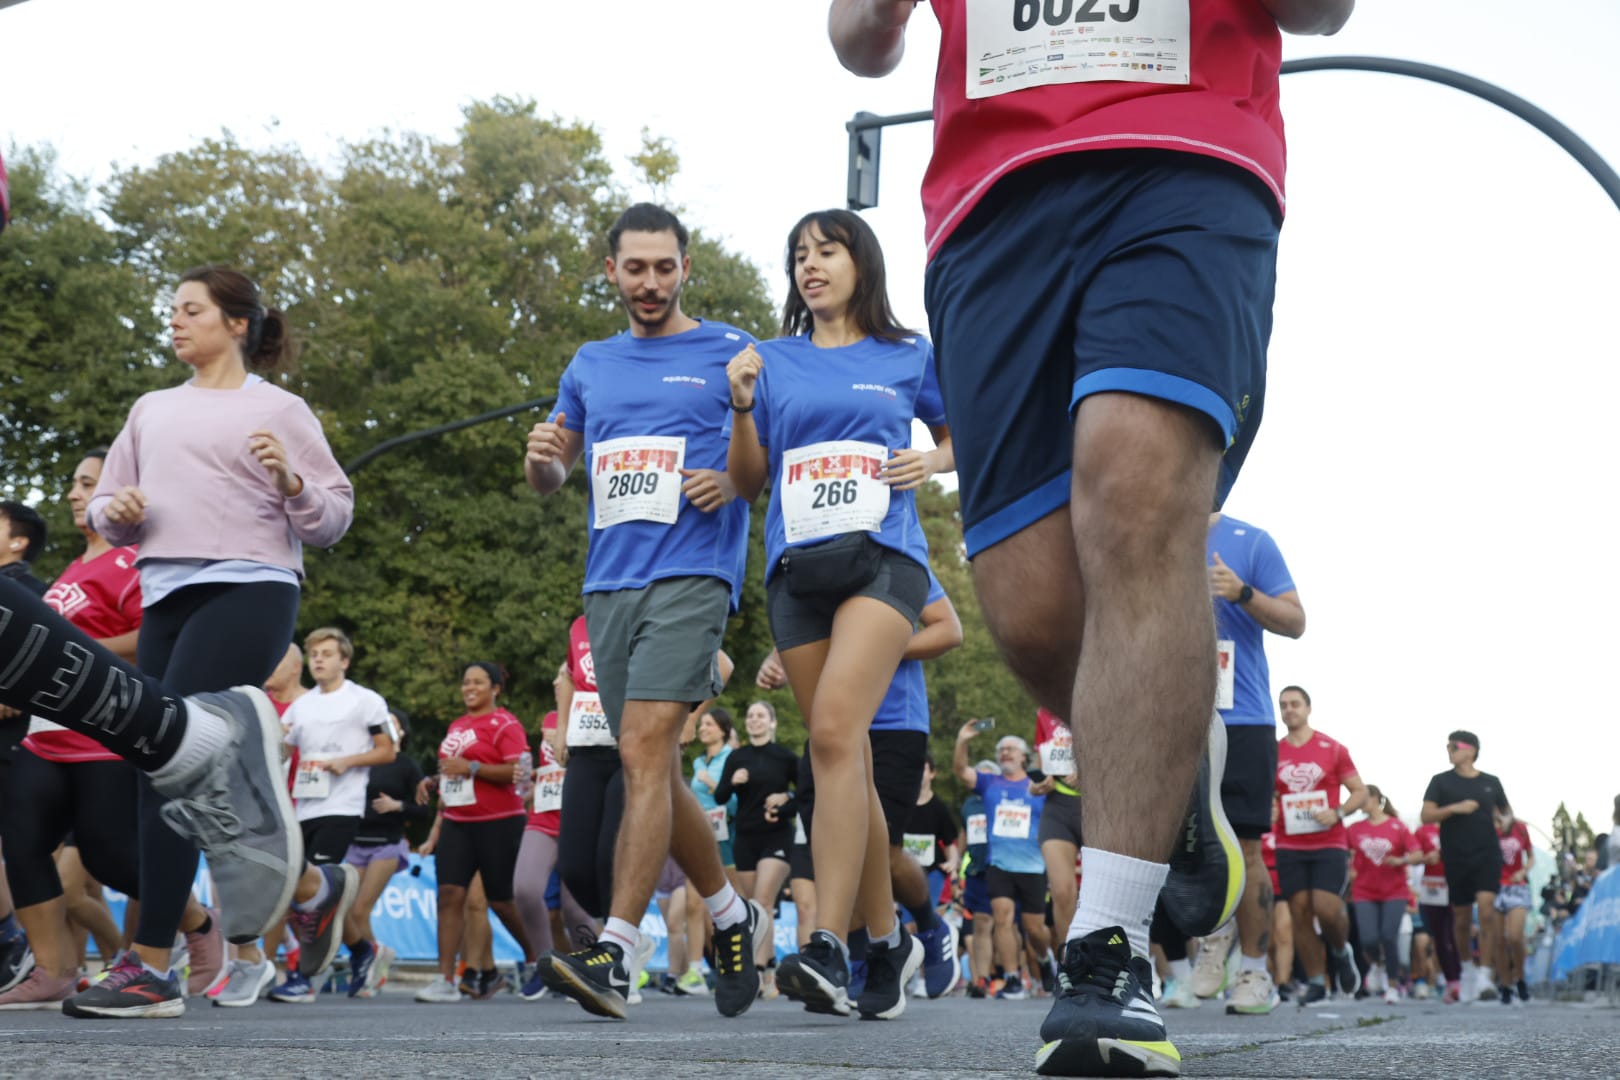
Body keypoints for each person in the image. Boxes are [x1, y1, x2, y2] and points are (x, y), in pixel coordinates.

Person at [827, 0, 1356, 1072]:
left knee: (1134, 491)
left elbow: (1323, 10)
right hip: (992, 199)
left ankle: (1109, 952)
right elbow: (859, 41)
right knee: (1028, 614)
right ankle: (1171, 778)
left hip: (1186, 150)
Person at [67, 264, 354, 1018]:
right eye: (173, 312)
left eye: (191, 310)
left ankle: (153, 965)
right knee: (162, 771)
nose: (176, 322)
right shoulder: (151, 410)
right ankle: (313, 890)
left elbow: (334, 515)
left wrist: (292, 484)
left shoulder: (281, 410)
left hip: (252, 588)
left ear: (236, 323)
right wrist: (117, 505)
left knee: (168, 751)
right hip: (164, 592)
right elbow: (108, 510)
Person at [527, 204, 766, 1021]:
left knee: (640, 746)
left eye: (665, 267)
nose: (651, 282)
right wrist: (544, 464)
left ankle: (617, 952)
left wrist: (733, 473)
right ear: (612, 272)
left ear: (685, 268)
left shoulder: (730, 349)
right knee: (653, 762)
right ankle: (733, 915)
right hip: (610, 582)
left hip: (695, 572)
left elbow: (759, 469)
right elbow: (555, 478)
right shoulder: (590, 363)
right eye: (636, 268)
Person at [727, 208, 951, 1020]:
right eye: (798, 256)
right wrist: (745, 405)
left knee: (829, 735)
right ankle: (888, 943)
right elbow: (749, 481)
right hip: (796, 568)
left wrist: (933, 457)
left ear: (862, 262)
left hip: (884, 561)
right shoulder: (769, 360)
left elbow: (962, 433)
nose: (810, 266)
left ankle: (824, 941)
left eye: (826, 251)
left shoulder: (906, 353)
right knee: (843, 754)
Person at [1192, 513, 1306, 1014]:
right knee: (1181, 848)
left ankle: (1255, 973)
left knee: (1246, 847)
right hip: (1171, 717)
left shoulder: (1250, 541)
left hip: (1242, 717)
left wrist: (1241, 593)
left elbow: (1296, 621)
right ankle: (1212, 939)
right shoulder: (1149, 527)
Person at [266, 627, 394, 1002]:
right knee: (302, 890)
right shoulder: (301, 706)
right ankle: (363, 953)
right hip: (303, 807)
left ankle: (304, 977)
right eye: (314, 654)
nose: (318, 659)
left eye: (326, 653)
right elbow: (283, 750)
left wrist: (347, 762)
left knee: (314, 890)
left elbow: (387, 751)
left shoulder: (364, 700)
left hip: (342, 807)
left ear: (344, 660)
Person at [412, 663, 535, 1003]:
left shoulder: (506, 724)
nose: (470, 687)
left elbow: (519, 773)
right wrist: (434, 782)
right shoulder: (457, 725)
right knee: (450, 895)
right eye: (466, 682)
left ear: (495, 688)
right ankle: (445, 979)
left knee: (502, 901)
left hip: (499, 820)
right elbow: (454, 770)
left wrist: (474, 767)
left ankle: (539, 959)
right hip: (457, 821)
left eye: (478, 682)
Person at [1273, 686, 1366, 1006]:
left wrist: (1338, 812)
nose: (1289, 710)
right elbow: (1270, 796)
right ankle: (1316, 981)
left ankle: (1341, 951)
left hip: (1329, 843)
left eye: (1295, 704)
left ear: (1308, 708)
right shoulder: (1275, 752)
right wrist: (1271, 809)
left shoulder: (1333, 748)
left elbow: (1359, 792)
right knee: (1299, 913)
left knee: (1327, 908)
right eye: (1283, 705)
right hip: (1289, 844)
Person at [954, 726, 1051, 1001]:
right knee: (1003, 920)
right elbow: (961, 771)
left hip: (1032, 866)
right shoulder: (990, 783)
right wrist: (962, 741)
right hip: (998, 864)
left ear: (1024, 757)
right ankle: (1012, 979)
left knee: (1035, 929)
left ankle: (1045, 958)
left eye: (1011, 749)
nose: (1004, 752)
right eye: (1001, 749)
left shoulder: (1039, 786)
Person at [338, 707, 429, 999]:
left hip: (387, 843)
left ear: (402, 731)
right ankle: (376, 953)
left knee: (360, 909)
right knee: (346, 911)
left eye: (393, 724)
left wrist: (398, 806)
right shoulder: (364, 761)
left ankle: (366, 970)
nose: (387, 728)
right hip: (355, 841)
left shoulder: (407, 766)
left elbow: (424, 809)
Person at [0, 499, 49, 990]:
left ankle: (14, 944)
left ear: (19, 541)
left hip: (15, 743)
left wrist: (14, 691)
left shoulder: (31, 591)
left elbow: (50, 653)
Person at [1421, 730, 1510, 1003]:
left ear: (1470, 750)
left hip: (1487, 854)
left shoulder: (1490, 782)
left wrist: (1505, 821)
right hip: (1456, 856)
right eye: (1447, 746)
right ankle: (1468, 970)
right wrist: (1455, 808)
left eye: (1454, 746)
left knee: (1486, 911)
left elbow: (1506, 812)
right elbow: (1426, 814)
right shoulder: (1440, 781)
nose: (1449, 750)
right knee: (1460, 919)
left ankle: (1485, 974)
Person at [713, 701, 796, 989]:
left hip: (776, 836)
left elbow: (807, 795)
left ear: (772, 722)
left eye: (761, 715)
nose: (755, 720)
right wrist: (733, 782)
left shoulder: (785, 757)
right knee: (755, 906)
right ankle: (771, 965)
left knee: (763, 901)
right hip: (745, 837)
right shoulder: (737, 757)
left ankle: (758, 970)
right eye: (750, 715)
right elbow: (720, 797)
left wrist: (786, 801)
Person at [1346, 785, 1419, 1003]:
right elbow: (1346, 854)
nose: (1359, 803)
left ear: (1376, 798)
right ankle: (1377, 965)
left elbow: (1416, 854)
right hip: (1364, 890)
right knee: (1367, 939)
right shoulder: (1354, 829)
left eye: (1363, 798)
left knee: (1389, 936)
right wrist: (1349, 870)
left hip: (1394, 891)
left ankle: (1393, 986)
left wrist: (1402, 860)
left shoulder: (1397, 827)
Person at [1411, 818, 1458, 1002]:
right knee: (1427, 942)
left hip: (1453, 888)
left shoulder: (1459, 828)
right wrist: (1425, 858)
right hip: (1428, 892)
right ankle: (1423, 980)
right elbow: (1412, 857)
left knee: (1448, 939)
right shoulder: (1423, 831)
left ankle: (1448, 979)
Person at [1493, 805, 1533, 1004]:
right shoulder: (1487, 830)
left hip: (1517, 887)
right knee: (1499, 940)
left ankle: (1521, 978)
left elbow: (1531, 856)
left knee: (1515, 937)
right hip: (1495, 887)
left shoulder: (1520, 828)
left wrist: (1523, 871)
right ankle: (1506, 985)